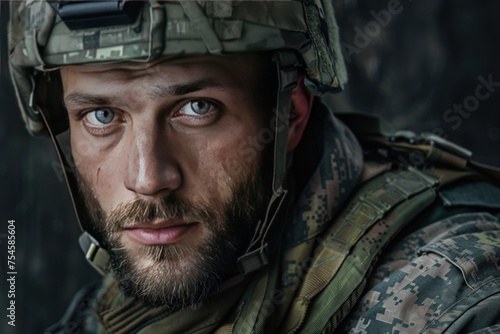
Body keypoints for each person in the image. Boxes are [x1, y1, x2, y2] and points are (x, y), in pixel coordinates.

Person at [8, 1, 500, 333]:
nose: (148, 179)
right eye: (101, 116)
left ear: (291, 117)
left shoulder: (451, 288)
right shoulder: (132, 294)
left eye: (197, 108)